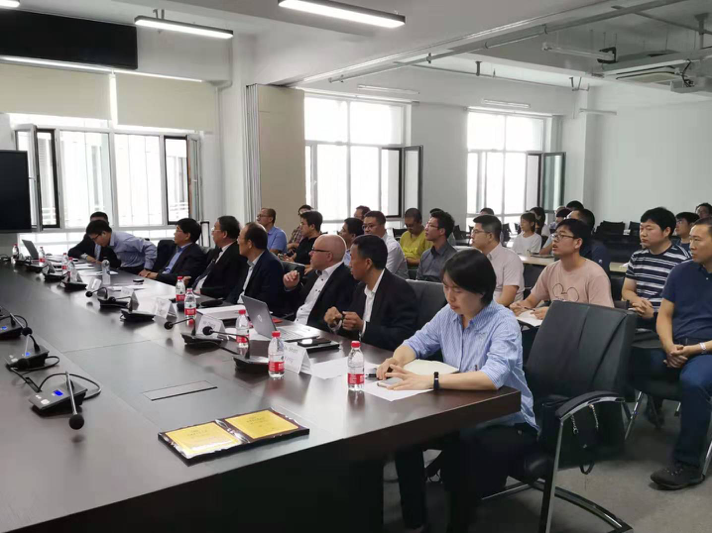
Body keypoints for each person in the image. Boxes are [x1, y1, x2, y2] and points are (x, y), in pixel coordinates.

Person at [378, 249, 537, 533]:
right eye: (446, 287)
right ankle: (415, 521)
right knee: (405, 438)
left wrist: (431, 381)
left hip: (505, 420)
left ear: (481, 291)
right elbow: (416, 343)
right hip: (457, 413)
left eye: (458, 290)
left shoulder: (503, 322)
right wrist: (396, 360)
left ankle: (458, 526)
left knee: (462, 457)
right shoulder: (449, 314)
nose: (450, 296)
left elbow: (491, 377)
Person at [636, 217, 712, 490]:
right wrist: (669, 345)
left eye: (697, 240)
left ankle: (688, 465)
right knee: (624, 358)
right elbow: (664, 315)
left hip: (706, 351)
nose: (690, 245)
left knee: (693, 382)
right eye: (690, 239)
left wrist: (694, 349)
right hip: (676, 345)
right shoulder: (681, 271)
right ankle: (602, 433)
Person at [324, 235, 417, 351]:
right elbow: (352, 330)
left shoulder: (399, 290)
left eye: (352, 258)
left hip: (384, 356)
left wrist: (363, 327)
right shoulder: (360, 288)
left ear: (368, 263)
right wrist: (336, 323)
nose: (349, 264)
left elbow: (403, 336)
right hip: (360, 353)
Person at [511, 219, 613, 320]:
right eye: (555, 235)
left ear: (578, 242)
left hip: (582, 330)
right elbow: (531, 301)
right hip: (553, 328)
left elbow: (602, 316)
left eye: (562, 236)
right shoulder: (550, 269)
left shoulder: (595, 274)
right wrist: (520, 306)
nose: (555, 240)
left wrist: (557, 313)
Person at [622, 207, 690, 329]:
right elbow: (627, 290)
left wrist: (654, 314)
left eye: (649, 229)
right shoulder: (637, 256)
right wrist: (637, 300)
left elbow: (685, 300)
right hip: (636, 315)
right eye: (641, 228)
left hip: (666, 321)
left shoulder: (682, 260)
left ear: (666, 231)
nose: (643, 234)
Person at [283, 235, 357, 331]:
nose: (310, 253)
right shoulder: (314, 273)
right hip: (295, 325)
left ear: (329, 256)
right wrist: (292, 287)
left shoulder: (347, 279)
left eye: (314, 250)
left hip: (313, 332)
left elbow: (335, 319)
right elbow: (298, 306)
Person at [226, 223, 284, 312]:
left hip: (253, 313)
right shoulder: (247, 261)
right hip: (237, 310)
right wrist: (226, 307)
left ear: (249, 243)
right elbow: (236, 291)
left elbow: (264, 301)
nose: (237, 242)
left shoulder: (271, 264)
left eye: (240, 238)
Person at [472, 215, 524, 306]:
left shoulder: (510, 259)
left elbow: (507, 299)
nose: (472, 236)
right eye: (473, 232)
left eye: (476, 232)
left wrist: (480, 310)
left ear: (490, 236)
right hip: (479, 307)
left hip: (502, 310)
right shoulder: (477, 258)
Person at [191, 216, 247, 299]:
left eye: (214, 229)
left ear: (224, 234)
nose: (212, 233)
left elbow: (228, 287)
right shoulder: (216, 250)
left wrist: (202, 291)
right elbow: (204, 273)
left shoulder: (237, 255)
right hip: (195, 293)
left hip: (210, 298)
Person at [141, 218, 206, 285]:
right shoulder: (176, 248)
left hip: (171, 286)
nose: (174, 233)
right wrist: (151, 274)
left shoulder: (195, 253)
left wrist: (157, 276)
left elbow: (182, 277)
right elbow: (165, 269)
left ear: (187, 236)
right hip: (160, 282)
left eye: (177, 230)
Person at [85, 220, 157, 275]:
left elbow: (150, 246)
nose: (95, 242)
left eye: (95, 239)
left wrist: (147, 269)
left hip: (138, 269)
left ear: (104, 233)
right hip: (126, 269)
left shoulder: (124, 240)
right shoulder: (109, 241)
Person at [363, 210, 408, 279]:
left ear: (382, 226)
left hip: (393, 284)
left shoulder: (392, 247)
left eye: (371, 226)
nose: (366, 230)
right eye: (365, 226)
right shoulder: (365, 245)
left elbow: (383, 276)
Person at [417, 210, 457, 282]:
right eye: (427, 224)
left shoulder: (453, 258)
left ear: (442, 231)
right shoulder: (425, 255)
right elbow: (418, 283)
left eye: (431, 225)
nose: (426, 228)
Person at [568, 208, 611, 274]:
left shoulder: (597, 250)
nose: (564, 223)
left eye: (569, 220)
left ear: (581, 225)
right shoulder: (567, 246)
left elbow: (596, 277)